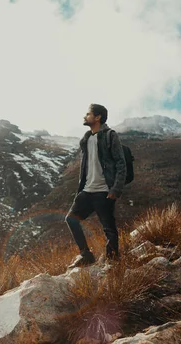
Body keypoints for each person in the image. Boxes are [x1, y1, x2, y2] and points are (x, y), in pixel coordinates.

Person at [65, 104, 127, 268]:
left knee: (109, 229)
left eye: (88, 114)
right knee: (71, 219)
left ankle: (112, 262)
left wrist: (116, 188)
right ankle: (86, 255)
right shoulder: (85, 139)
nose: (85, 117)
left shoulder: (110, 136)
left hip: (104, 191)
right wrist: (80, 189)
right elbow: (85, 167)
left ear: (98, 117)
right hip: (87, 190)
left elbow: (121, 163)